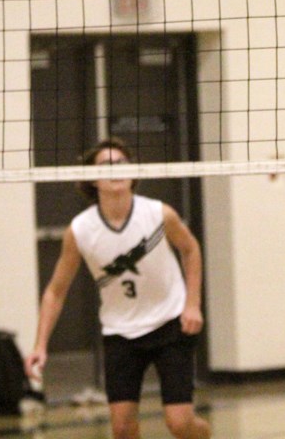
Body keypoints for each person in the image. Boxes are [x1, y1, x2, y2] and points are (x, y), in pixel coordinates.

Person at [25, 137, 211, 439]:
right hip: (120, 332)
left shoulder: (159, 214)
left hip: (170, 323)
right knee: (122, 428)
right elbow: (55, 292)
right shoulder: (80, 230)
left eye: (121, 163)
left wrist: (192, 304)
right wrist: (40, 345)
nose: (115, 169)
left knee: (180, 424)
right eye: (106, 165)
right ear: (91, 179)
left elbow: (191, 249)